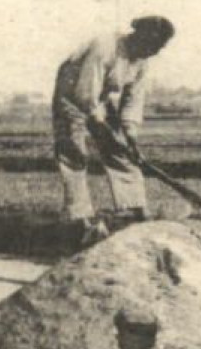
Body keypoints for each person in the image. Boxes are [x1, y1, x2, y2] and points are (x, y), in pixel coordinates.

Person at [52, 15, 177, 246]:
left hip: (99, 96)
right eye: (153, 46)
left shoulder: (141, 60)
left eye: (159, 48)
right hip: (71, 93)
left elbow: (133, 99)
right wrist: (98, 121)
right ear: (139, 38)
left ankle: (134, 209)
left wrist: (129, 133)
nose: (155, 52)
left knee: (122, 151)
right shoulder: (105, 46)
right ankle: (80, 217)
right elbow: (85, 91)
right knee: (74, 152)